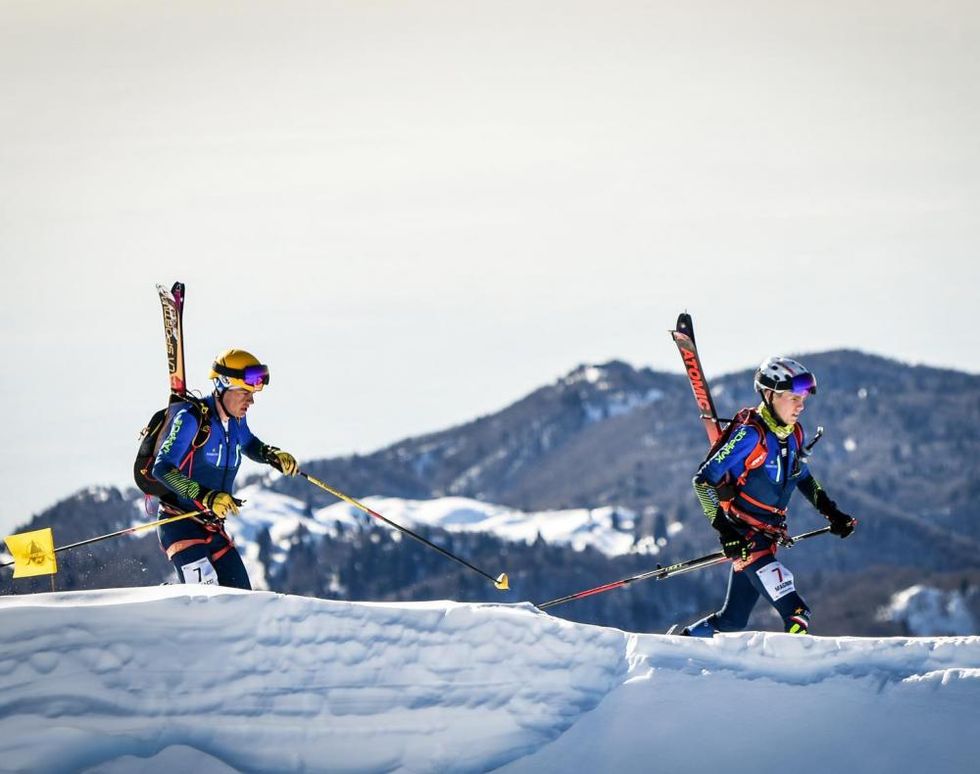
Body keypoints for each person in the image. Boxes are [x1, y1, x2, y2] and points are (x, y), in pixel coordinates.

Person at [672, 356, 856, 636]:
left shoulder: (793, 433)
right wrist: (726, 533)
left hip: (767, 538)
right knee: (798, 615)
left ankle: (677, 645)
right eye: (793, 397)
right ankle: (795, 676)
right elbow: (702, 482)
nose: (801, 405)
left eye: (803, 397)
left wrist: (833, 513)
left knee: (732, 621)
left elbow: (802, 477)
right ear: (769, 395)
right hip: (746, 540)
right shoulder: (750, 435)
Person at [152, 349, 299, 588]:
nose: (250, 401)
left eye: (251, 394)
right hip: (180, 524)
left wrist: (271, 455)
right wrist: (206, 496)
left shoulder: (236, 421)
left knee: (242, 597)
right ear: (223, 385)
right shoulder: (191, 419)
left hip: (213, 526)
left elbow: (249, 443)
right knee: (206, 601)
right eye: (244, 392)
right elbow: (163, 468)